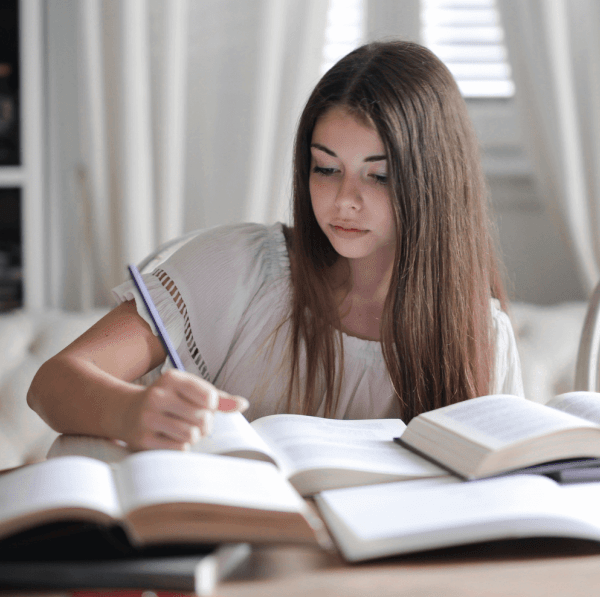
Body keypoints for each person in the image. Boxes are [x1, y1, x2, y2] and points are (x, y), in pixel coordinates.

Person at [27, 40, 523, 451]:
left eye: (379, 176)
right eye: (325, 168)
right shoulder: (241, 268)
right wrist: (131, 411)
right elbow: (52, 384)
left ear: (433, 183)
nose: (344, 201)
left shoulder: (479, 336)